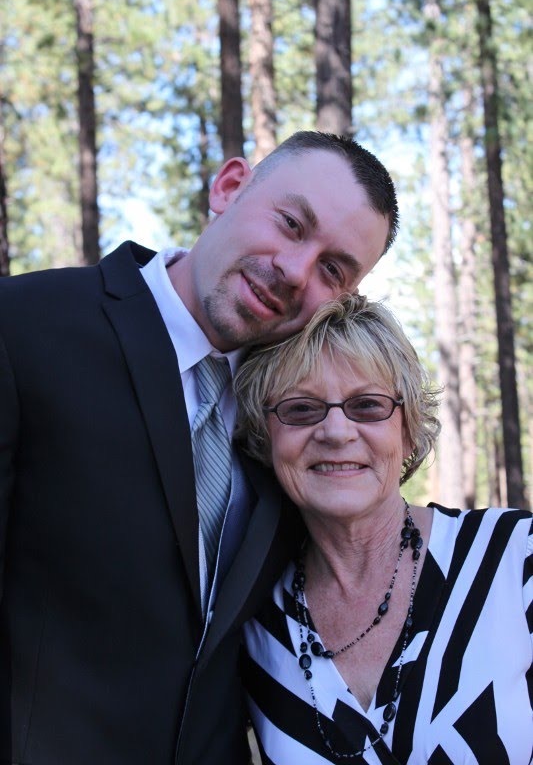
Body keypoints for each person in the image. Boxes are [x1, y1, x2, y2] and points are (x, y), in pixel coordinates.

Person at [0, 132, 399, 765]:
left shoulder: (296, 422)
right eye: (292, 223)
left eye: (333, 269)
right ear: (230, 186)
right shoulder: (23, 327)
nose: (295, 271)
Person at [235, 294, 533, 764]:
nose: (336, 431)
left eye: (368, 405)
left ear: (408, 430)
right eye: (300, 409)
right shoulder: (254, 620)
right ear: (265, 436)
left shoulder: (516, 558)